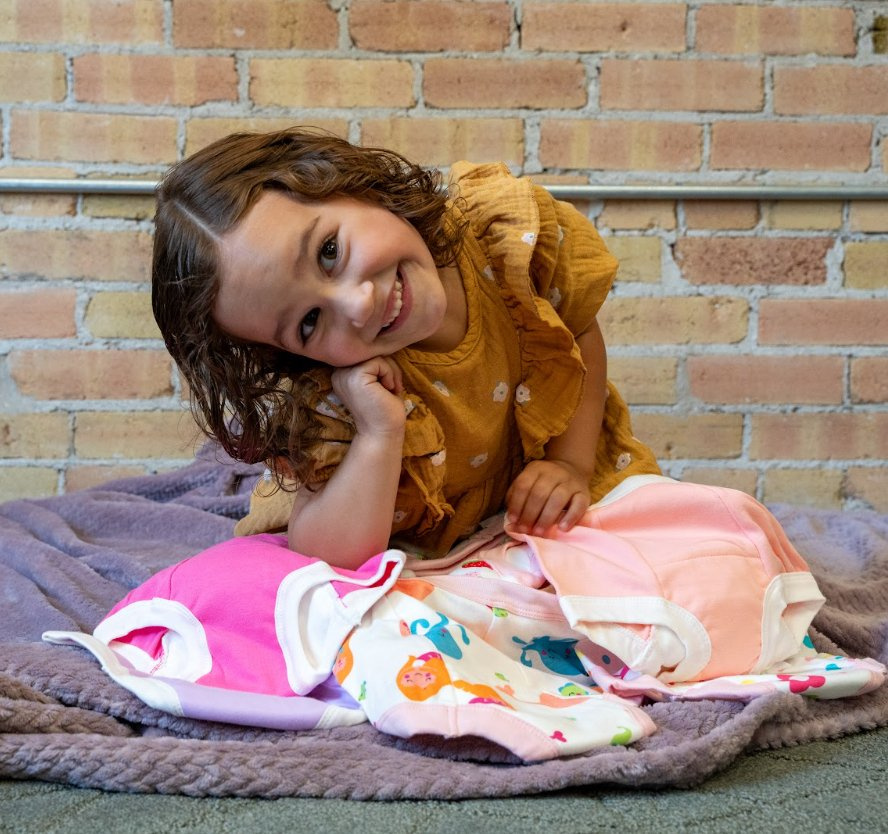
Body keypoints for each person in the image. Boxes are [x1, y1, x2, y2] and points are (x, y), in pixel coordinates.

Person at [151, 127, 661, 569]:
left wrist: (570, 464)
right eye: (309, 323)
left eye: (329, 252)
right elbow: (328, 555)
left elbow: (576, 331)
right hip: (435, 534)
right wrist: (379, 431)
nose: (358, 304)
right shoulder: (343, 398)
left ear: (349, 185)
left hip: (557, 473)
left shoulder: (503, 240)